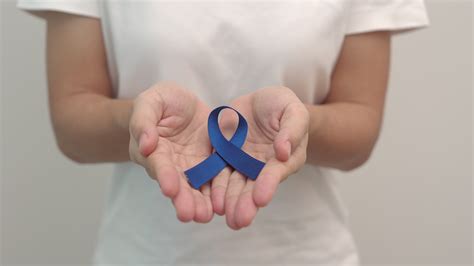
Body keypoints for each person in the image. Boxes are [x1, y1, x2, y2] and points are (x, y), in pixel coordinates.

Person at [18, 0, 429, 264]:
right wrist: (140, 122)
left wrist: (299, 123)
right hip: (141, 253)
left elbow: (360, 131)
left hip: (307, 253)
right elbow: (73, 124)